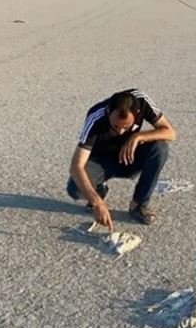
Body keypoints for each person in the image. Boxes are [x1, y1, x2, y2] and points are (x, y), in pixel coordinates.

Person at [67, 88, 176, 230]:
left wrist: (138, 136)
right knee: (75, 189)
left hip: (129, 158)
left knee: (160, 148)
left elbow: (170, 133)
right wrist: (97, 203)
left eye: (127, 127)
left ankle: (139, 204)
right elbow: (76, 166)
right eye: (116, 126)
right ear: (108, 111)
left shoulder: (141, 101)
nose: (120, 131)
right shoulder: (95, 117)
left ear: (136, 113)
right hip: (102, 162)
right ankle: (99, 188)